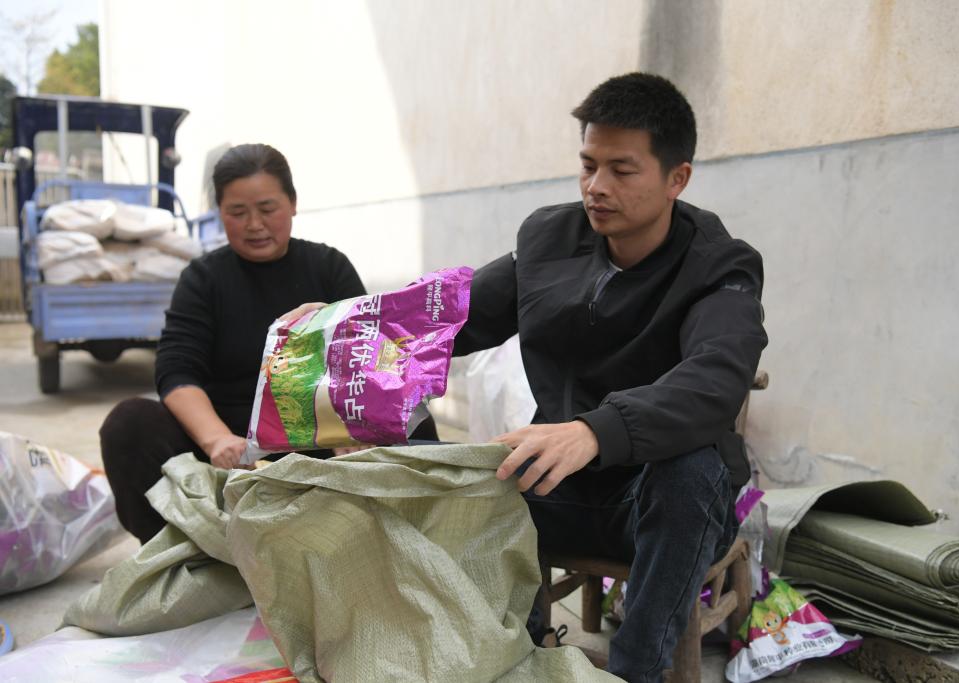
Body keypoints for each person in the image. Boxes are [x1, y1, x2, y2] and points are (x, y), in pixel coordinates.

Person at [453, 73, 768, 681]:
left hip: (660, 507)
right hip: (560, 488)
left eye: (622, 170)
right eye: (588, 165)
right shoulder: (548, 241)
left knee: (691, 471)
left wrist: (595, 431)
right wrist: (344, 326)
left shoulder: (718, 265)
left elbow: (716, 377)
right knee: (454, 474)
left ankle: (633, 672)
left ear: (677, 178)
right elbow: (454, 314)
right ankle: (518, 657)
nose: (597, 186)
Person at [101, 143, 436, 543]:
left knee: (416, 419)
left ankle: (399, 545)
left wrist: (351, 431)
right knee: (129, 424)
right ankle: (180, 554)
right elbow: (176, 372)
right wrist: (217, 439)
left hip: (321, 440)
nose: (254, 225)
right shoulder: (203, 279)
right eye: (237, 212)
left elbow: (370, 361)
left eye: (267, 208)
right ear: (219, 212)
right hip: (231, 450)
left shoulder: (328, 267)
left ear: (292, 203)